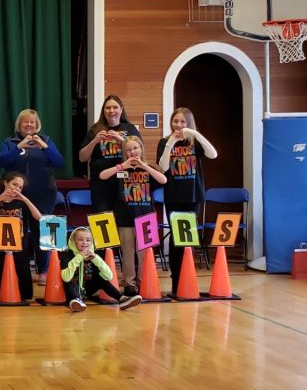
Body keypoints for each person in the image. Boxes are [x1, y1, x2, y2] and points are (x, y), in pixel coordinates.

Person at [0, 109, 65, 285]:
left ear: (37, 125)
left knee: (43, 232)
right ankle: (19, 270)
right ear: (19, 125)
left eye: (32, 122)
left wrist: (44, 147)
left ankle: (45, 271)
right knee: (17, 234)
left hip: (44, 194)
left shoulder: (47, 141)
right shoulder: (9, 142)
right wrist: (20, 147)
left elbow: (59, 162)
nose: (29, 125)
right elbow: (2, 161)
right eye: (25, 122)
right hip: (15, 196)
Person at [157, 107, 218, 294]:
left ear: (189, 124)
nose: (179, 125)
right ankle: (176, 282)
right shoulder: (164, 142)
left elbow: (213, 154)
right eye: (176, 121)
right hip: (174, 197)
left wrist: (195, 134)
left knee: (188, 240)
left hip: (193, 197)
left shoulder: (195, 143)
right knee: (177, 240)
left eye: (183, 122)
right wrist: (171, 143)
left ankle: (187, 280)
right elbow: (163, 167)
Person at [99, 136, 167, 295]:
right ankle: (129, 282)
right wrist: (122, 166)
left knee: (144, 252)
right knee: (128, 252)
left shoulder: (150, 168)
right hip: (125, 217)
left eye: (135, 148)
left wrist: (144, 165)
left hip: (145, 217)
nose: (132, 152)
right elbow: (102, 176)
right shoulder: (120, 169)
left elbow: (163, 180)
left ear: (141, 148)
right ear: (124, 153)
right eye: (128, 149)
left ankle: (144, 280)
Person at [0, 171, 43, 302]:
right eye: (14, 184)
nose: (16, 188)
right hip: (1, 245)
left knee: (27, 294)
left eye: (20, 187)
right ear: (6, 183)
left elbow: (39, 217)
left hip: (20, 245)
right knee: (2, 278)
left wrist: (25, 199)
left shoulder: (22, 203)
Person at [78, 95, 141, 213]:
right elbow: (82, 158)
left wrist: (122, 141)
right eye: (108, 108)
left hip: (125, 183)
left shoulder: (130, 128)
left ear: (121, 110)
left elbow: (139, 154)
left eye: (115, 107)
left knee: (123, 222)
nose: (111, 111)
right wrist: (94, 141)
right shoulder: (94, 129)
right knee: (103, 221)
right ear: (103, 111)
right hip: (100, 185)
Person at [61, 227, 143, 312]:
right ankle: (75, 300)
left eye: (88, 240)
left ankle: (122, 299)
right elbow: (66, 278)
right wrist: (78, 257)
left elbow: (108, 276)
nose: (85, 243)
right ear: (73, 241)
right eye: (80, 240)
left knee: (101, 278)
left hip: (88, 289)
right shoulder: (68, 254)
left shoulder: (93, 254)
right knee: (70, 279)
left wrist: (96, 258)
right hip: (72, 290)